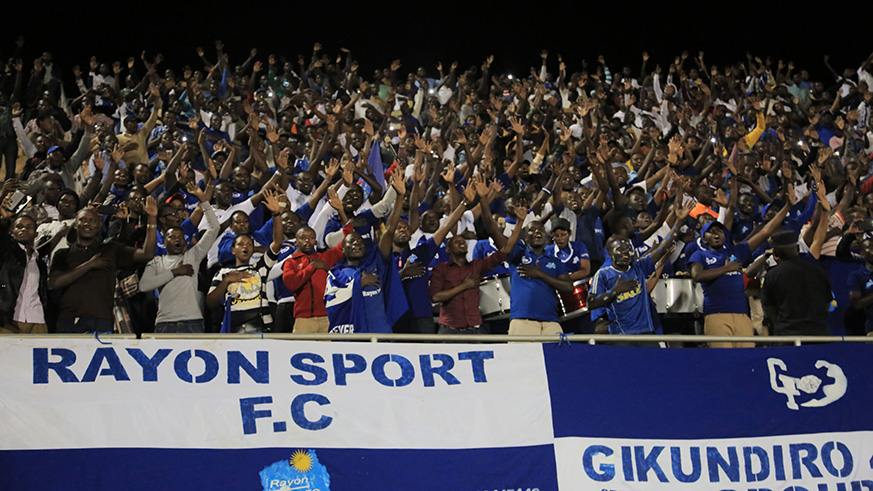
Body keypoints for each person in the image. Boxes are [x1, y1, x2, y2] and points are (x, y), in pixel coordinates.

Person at [48, 198, 158, 333]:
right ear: (75, 224)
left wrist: (152, 219)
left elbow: (147, 254)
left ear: (100, 225)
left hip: (101, 319)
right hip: (69, 319)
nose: (87, 223)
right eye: (83, 220)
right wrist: (90, 265)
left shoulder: (111, 249)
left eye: (93, 220)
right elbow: (55, 283)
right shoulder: (63, 254)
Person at [689, 202, 791, 347]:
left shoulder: (736, 252)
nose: (717, 233)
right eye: (711, 232)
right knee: (724, 360)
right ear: (704, 239)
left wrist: (787, 206)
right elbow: (697, 276)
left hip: (742, 314)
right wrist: (726, 269)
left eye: (720, 231)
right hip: (716, 314)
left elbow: (765, 232)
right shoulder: (699, 255)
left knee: (746, 359)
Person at [429, 182, 526, 335]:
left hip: (475, 330)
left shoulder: (477, 266)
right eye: (457, 241)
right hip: (449, 331)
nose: (462, 242)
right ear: (448, 249)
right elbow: (435, 296)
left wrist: (520, 222)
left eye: (463, 241)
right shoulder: (441, 269)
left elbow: (506, 250)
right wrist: (464, 286)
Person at [324, 170, 408, 333]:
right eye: (351, 242)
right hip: (354, 340)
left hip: (381, 336)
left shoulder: (375, 261)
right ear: (343, 249)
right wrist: (358, 283)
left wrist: (400, 196)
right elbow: (332, 301)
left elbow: (390, 231)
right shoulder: (336, 275)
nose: (357, 244)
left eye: (360, 241)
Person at [588, 207, 686, 337]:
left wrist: (679, 221)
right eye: (620, 250)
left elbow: (663, 247)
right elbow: (590, 303)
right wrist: (615, 291)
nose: (626, 253)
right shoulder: (603, 274)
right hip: (622, 335)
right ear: (610, 254)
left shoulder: (639, 266)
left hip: (646, 333)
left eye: (628, 249)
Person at [138, 183, 219, 333]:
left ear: (185, 241)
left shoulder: (193, 256)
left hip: (193, 321)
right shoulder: (156, 262)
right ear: (164, 241)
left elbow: (214, 228)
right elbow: (143, 286)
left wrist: (202, 198)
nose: (177, 239)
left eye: (180, 236)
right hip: (164, 322)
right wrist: (175, 272)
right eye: (172, 236)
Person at [206, 190, 285, 333]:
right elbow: (211, 303)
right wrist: (226, 281)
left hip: (261, 328)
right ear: (233, 250)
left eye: (249, 244)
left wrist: (276, 214)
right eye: (241, 245)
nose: (245, 247)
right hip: (234, 331)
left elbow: (278, 243)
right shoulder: (223, 273)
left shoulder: (260, 268)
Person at [761, 230, 831, 336]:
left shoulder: (772, 275)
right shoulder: (818, 270)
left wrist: (778, 324)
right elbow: (827, 303)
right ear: (798, 249)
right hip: (818, 332)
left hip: (788, 334)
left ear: (775, 255)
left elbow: (768, 308)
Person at [0, 214, 49, 333]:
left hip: (38, 320)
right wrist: (4, 220)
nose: (24, 229)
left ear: (36, 233)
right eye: (19, 226)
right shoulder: (6, 255)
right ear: (12, 232)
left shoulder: (40, 262)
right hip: (9, 320)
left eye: (29, 227)